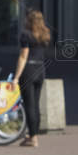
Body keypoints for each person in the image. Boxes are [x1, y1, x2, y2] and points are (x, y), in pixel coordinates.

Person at [13, 8, 51, 147]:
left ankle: (33, 138)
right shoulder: (44, 34)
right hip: (40, 70)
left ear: (29, 20)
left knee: (29, 105)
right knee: (36, 104)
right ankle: (33, 134)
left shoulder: (26, 35)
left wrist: (16, 77)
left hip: (28, 70)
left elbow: (23, 56)